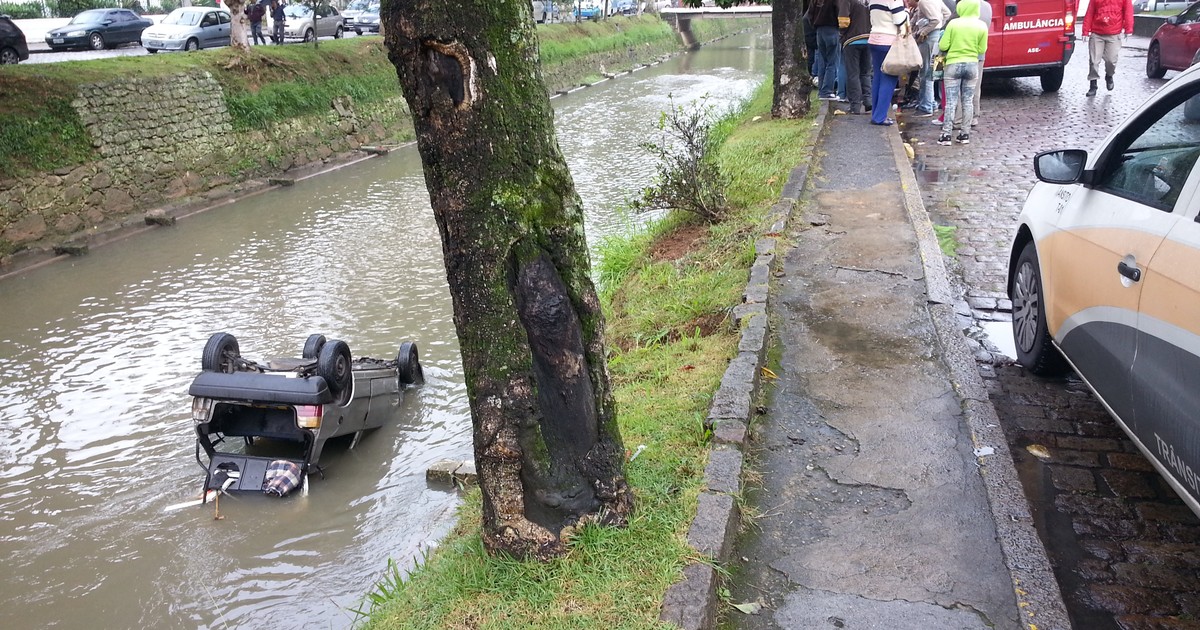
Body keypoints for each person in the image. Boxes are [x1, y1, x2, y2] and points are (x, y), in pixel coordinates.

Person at [937, 0, 987, 145]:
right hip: (972, 65)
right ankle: (965, 134)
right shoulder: (981, 26)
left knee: (951, 102)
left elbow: (943, 45)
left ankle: (946, 135)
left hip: (953, 65)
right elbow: (982, 49)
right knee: (968, 101)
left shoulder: (953, 24)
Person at [867, 0, 909, 126]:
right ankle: (880, 117)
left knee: (878, 78)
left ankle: (876, 113)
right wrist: (906, 11)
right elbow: (899, 20)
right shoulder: (894, 1)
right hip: (889, 41)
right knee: (889, 78)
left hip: (874, 39)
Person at [1082, 0, 1134, 96]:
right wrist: (1085, 30)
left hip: (1114, 33)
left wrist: (1128, 29)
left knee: (1111, 60)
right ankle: (1093, 85)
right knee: (1094, 61)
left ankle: (1109, 75)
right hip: (1097, 32)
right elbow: (1090, 11)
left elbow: (1128, 11)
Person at [911, 0, 950, 116]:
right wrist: (939, 27)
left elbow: (935, 20)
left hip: (929, 38)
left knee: (926, 72)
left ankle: (926, 106)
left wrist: (922, 32)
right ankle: (931, 103)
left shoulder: (923, 2)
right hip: (936, 36)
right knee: (933, 72)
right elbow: (947, 14)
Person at [839, 0, 874, 114]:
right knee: (866, 73)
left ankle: (855, 106)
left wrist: (842, 34)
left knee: (853, 74)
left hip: (852, 39)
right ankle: (868, 102)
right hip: (868, 38)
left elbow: (843, 21)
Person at [809, 0, 843, 99]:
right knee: (832, 62)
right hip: (832, 29)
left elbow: (810, 13)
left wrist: (814, 25)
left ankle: (821, 90)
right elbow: (839, 11)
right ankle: (827, 90)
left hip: (819, 30)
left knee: (822, 61)